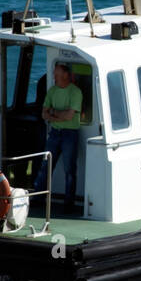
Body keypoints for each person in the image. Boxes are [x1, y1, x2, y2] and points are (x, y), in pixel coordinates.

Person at [34, 61, 83, 205]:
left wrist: (53, 113)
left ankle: (69, 203)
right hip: (55, 133)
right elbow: (44, 114)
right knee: (46, 167)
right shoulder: (52, 91)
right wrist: (58, 115)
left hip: (70, 134)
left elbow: (69, 116)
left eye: (57, 73)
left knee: (69, 169)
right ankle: (38, 199)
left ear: (65, 75)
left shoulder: (75, 92)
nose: (54, 76)